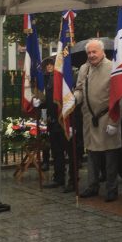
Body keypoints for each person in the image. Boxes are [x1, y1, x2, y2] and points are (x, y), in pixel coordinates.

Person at [74, 39, 122, 202]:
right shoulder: (84, 68)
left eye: (94, 52)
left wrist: (115, 122)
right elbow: (80, 89)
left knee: (110, 157)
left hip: (107, 117)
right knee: (92, 155)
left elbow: (118, 97)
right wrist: (73, 99)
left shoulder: (113, 68)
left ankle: (111, 189)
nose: (91, 55)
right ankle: (92, 185)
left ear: (103, 52)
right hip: (89, 118)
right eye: (89, 52)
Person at [42, 57, 76, 192]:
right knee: (56, 152)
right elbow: (50, 100)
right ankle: (58, 177)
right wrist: (40, 104)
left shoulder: (69, 77)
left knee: (71, 152)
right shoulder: (51, 79)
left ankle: (73, 181)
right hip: (54, 120)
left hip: (67, 119)